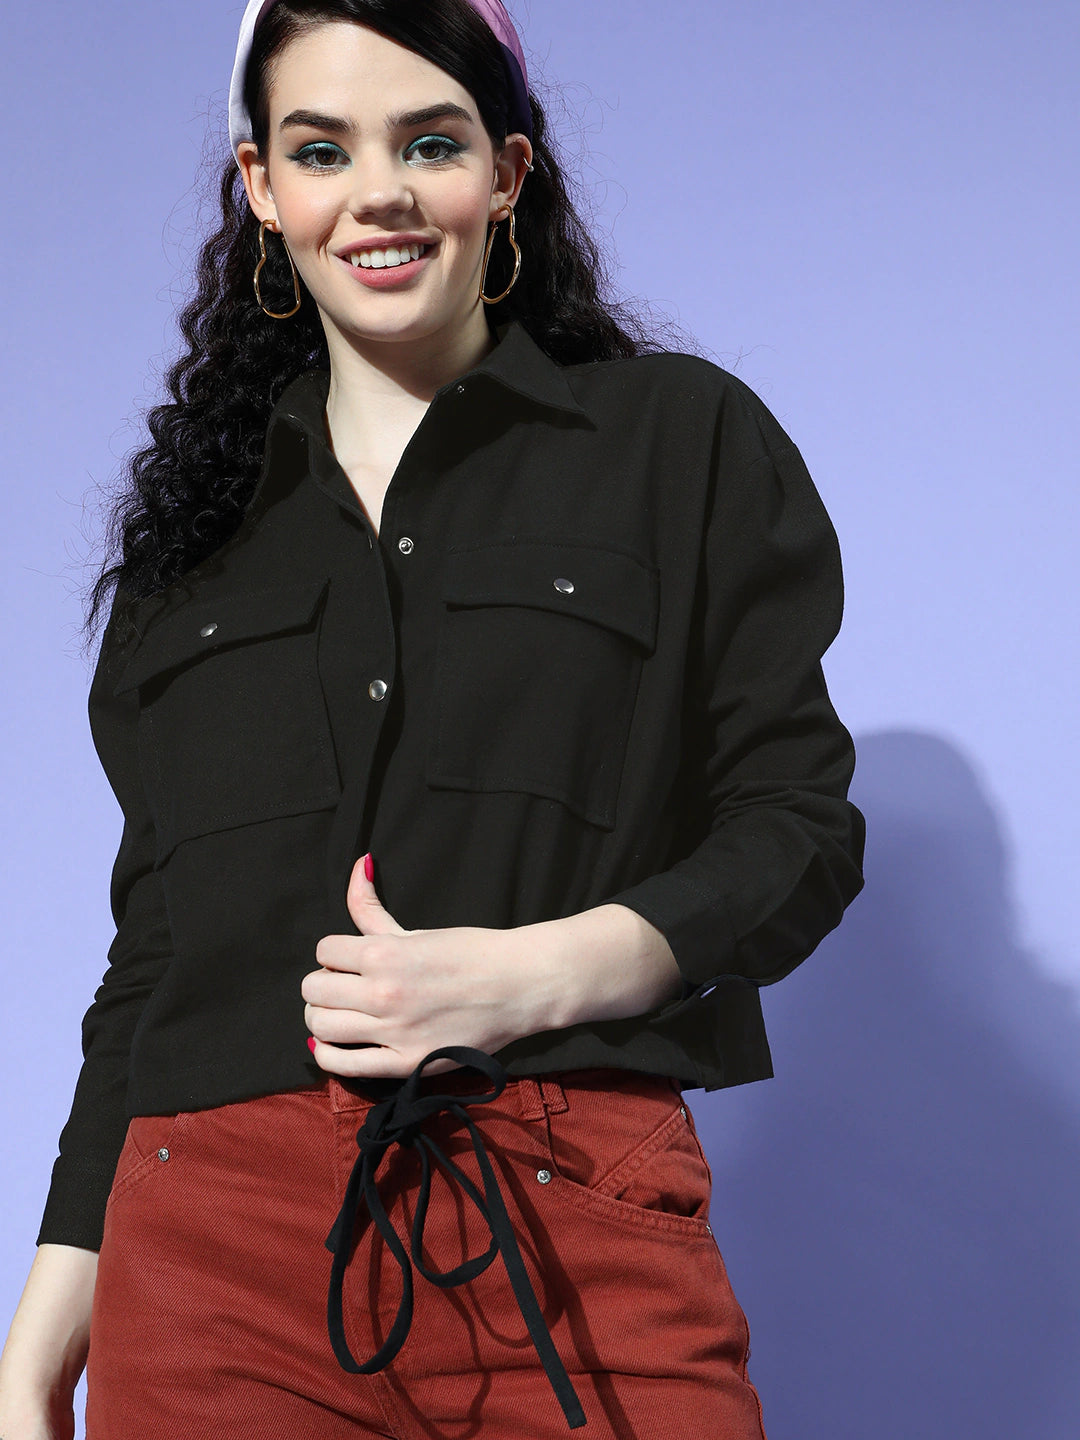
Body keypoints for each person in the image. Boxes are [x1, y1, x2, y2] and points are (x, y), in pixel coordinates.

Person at [0, 1, 865, 1436]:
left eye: (431, 143)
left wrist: (531, 977)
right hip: (208, 1257)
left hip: (570, 1208)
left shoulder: (678, 441)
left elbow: (798, 827)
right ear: (261, 188)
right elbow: (155, 957)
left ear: (508, 173)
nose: (378, 194)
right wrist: (36, 1350)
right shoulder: (191, 550)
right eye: (321, 150)